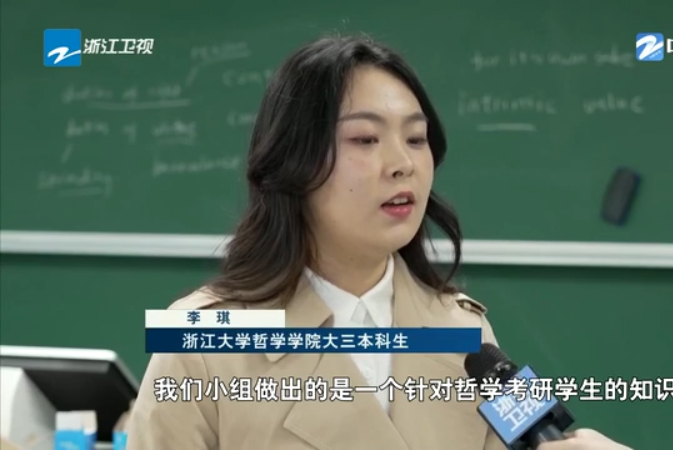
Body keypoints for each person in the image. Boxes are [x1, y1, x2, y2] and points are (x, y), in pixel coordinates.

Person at [125, 35, 633, 450]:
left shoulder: (464, 333)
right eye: (365, 139)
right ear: (294, 160)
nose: (403, 163)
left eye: (416, 139)